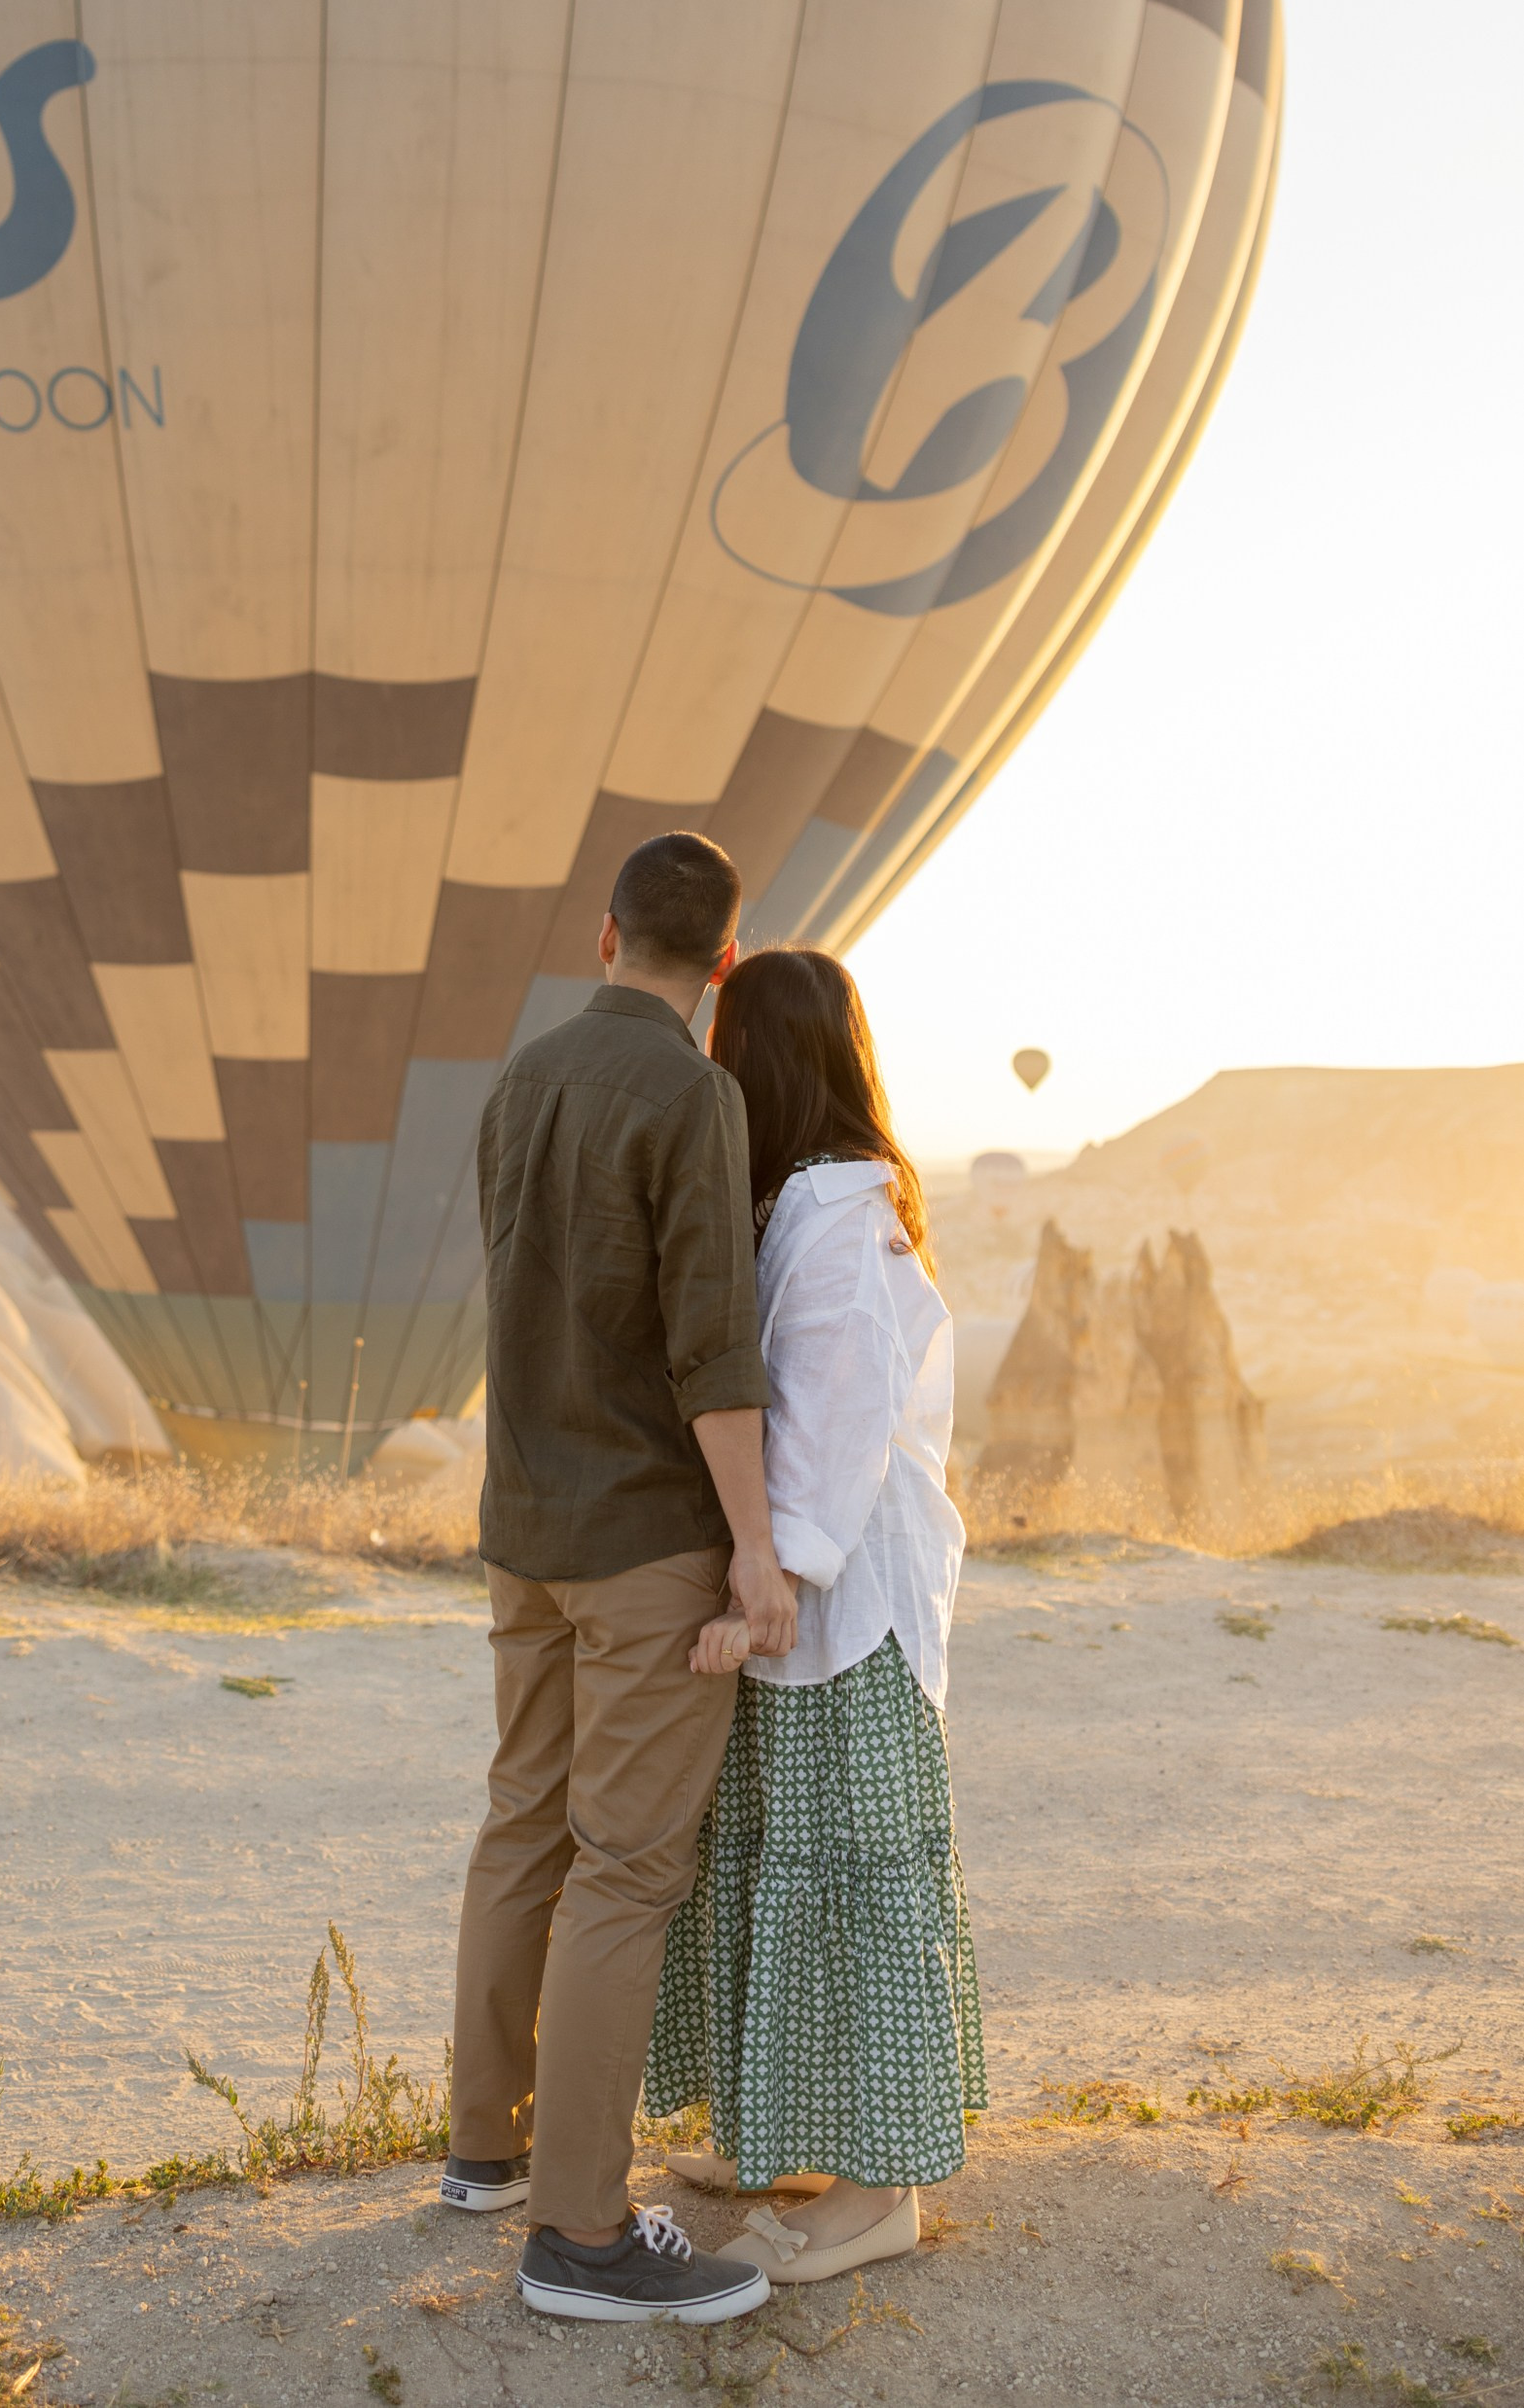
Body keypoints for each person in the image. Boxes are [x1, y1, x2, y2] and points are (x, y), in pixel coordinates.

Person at [441, 831, 793, 2328]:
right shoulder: (691, 1092)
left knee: (524, 1818)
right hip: (646, 1536)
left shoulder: (519, 1081)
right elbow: (710, 1349)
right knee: (629, 1867)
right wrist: (758, 1556)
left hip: (524, 1523)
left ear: (604, 936)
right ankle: (581, 2233)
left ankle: (485, 2151)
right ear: (721, 959)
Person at [645, 945, 984, 2286]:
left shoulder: (842, 1220)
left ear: (760, 1063)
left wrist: (770, 1579)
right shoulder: (803, 1204)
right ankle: (789, 2132)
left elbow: (838, 1431)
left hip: (846, 1615)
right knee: (781, 1875)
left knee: (848, 1887)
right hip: (814, 1601)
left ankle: (877, 2193)